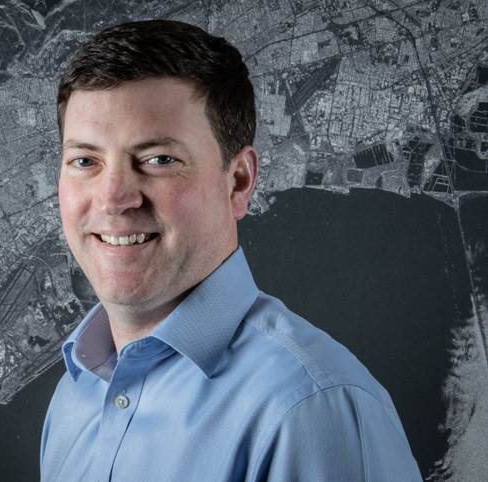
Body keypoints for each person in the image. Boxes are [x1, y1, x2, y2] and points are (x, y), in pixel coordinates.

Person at [40, 19, 421, 482]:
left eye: (159, 160)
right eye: (85, 161)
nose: (113, 198)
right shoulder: (75, 397)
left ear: (239, 182)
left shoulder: (311, 408)